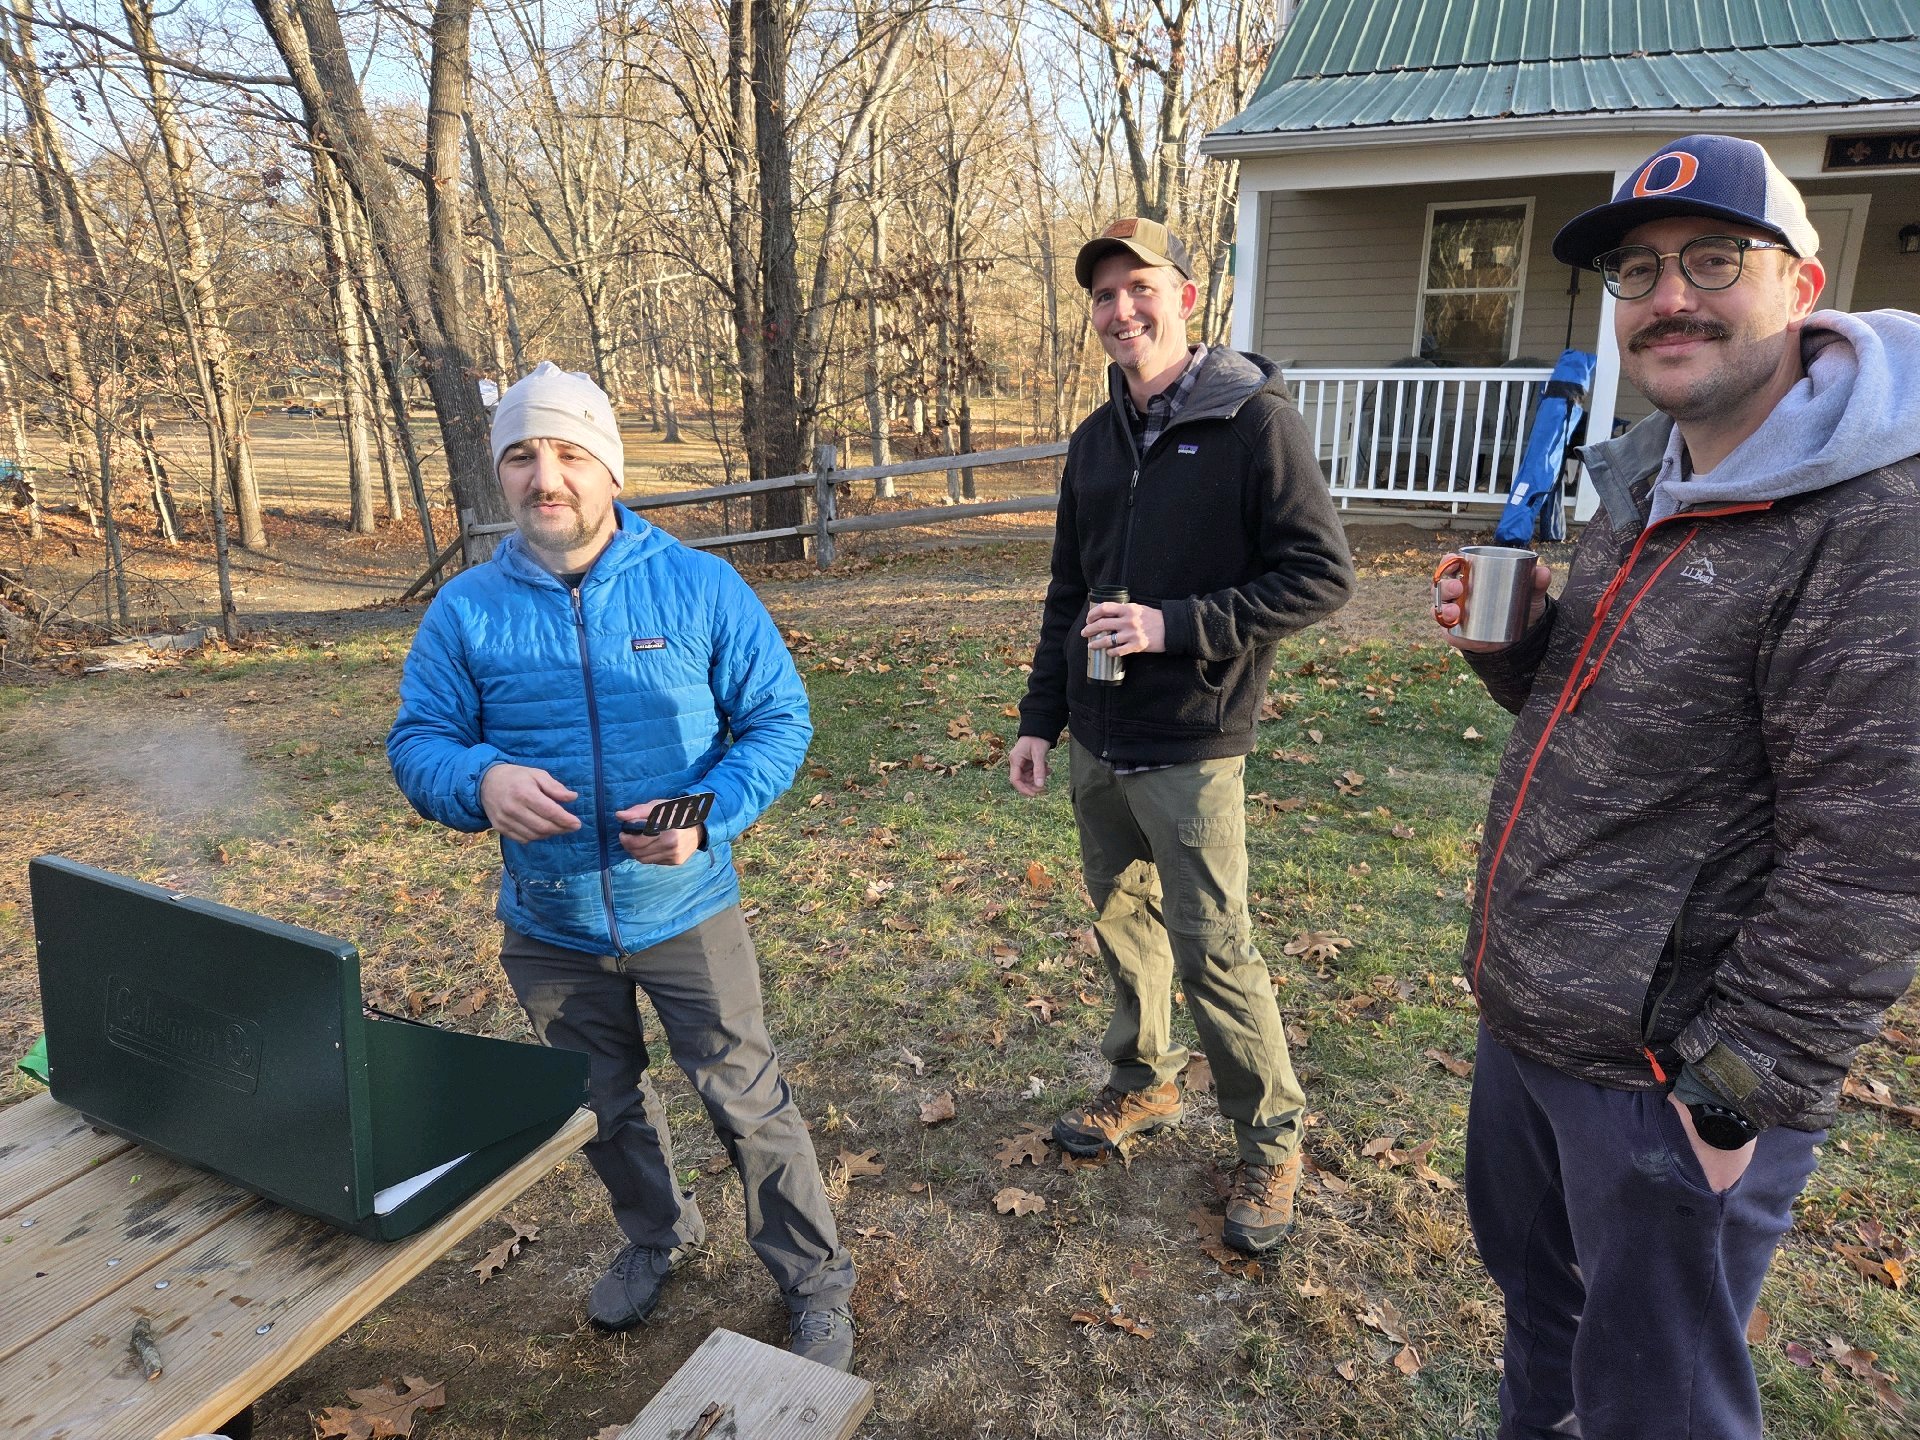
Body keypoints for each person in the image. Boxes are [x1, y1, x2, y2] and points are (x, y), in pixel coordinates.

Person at [1433, 134, 1920, 1438]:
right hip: (1534, 1022)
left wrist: (1732, 1097)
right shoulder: (1651, 470)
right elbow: (1599, 718)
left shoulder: (1875, 525)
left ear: (1803, 283)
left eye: (1715, 257)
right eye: (1638, 271)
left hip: (1663, 1083)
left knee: (1659, 1406)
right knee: (1544, 1324)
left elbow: (1874, 860)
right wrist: (1519, 647)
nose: (1670, 296)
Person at [388, 362, 856, 1369]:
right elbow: (418, 742)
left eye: (567, 453)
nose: (544, 476)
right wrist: (477, 782)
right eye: (521, 456)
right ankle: (659, 1235)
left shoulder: (698, 586)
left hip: (685, 909)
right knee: (602, 1105)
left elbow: (778, 722)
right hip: (550, 926)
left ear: (608, 467)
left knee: (746, 1100)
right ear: (499, 475)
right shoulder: (466, 613)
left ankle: (813, 1280)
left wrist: (703, 814)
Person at [1009, 217, 1355, 1253]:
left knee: (1214, 949)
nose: (1122, 312)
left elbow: (1322, 576)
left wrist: (1177, 626)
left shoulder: (1254, 424)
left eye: (1140, 289)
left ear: (1187, 297)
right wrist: (1041, 719)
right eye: (1104, 298)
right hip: (1098, 736)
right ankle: (1145, 1083)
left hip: (1194, 738)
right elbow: (1068, 590)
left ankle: (1271, 1139)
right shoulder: (1096, 438)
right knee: (1122, 922)